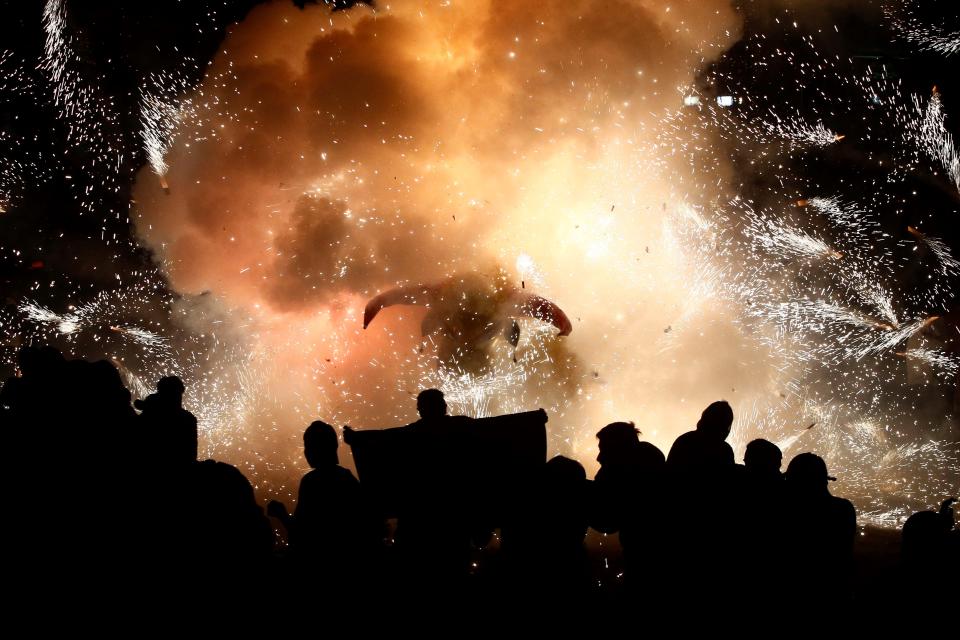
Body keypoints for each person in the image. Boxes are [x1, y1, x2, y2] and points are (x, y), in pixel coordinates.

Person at [268, 421, 381, 585]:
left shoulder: (311, 482)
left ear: (315, 450)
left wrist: (282, 514)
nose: (306, 452)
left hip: (322, 571)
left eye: (308, 446)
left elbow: (304, 535)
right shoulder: (347, 477)